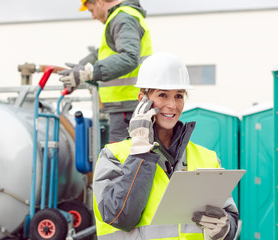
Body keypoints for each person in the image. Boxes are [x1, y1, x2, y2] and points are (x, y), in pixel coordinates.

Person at [92, 52, 239, 239]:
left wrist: (225, 229)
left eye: (179, 96)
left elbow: (229, 215)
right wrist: (139, 155)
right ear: (142, 100)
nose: (172, 105)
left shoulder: (206, 157)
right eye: (162, 95)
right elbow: (119, 217)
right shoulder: (114, 156)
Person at [58, 0, 152, 142]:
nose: (93, 16)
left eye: (91, 10)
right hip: (126, 106)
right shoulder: (120, 18)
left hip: (128, 106)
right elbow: (100, 54)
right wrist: (79, 70)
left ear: (100, 2)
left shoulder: (123, 18)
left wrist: (88, 73)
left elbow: (129, 57)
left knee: (121, 160)